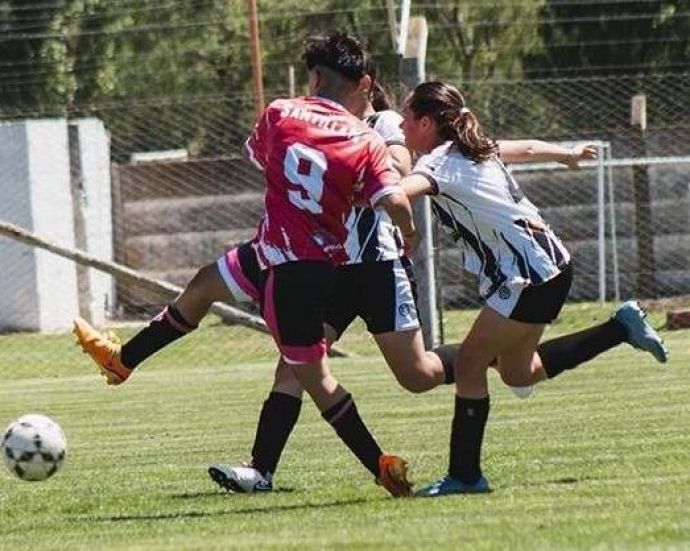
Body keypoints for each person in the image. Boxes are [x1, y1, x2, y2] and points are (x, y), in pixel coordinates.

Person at [77, 30, 418, 497]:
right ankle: (121, 362)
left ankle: (377, 465)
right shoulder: (366, 138)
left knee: (313, 378)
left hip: (293, 269)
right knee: (202, 287)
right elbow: (394, 199)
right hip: (287, 258)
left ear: (314, 76)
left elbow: (259, 157)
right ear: (359, 83)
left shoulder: (279, 112)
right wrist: (411, 233)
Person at [396, 81, 669, 497]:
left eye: (406, 116)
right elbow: (523, 149)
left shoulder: (440, 162)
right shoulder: (474, 148)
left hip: (528, 274)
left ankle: (465, 476)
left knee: (471, 363)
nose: (400, 123)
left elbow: (398, 194)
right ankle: (621, 327)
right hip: (552, 265)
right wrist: (567, 155)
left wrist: (356, 186)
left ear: (427, 123)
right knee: (519, 372)